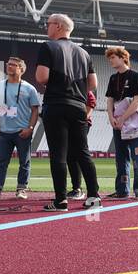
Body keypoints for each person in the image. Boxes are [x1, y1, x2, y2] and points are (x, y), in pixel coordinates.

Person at [34, 14, 99, 211]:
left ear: (59, 26)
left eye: (49, 24)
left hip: (56, 103)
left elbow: (41, 77)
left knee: (58, 154)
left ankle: (61, 200)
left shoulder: (48, 46)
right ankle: (94, 196)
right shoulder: (83, 53)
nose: (47, 27)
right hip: (78, 106)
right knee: (82, 152)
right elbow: (93, 84)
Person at [0, 56, 40, 200]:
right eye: (8, 64)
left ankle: (21, 189)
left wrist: (30, 128)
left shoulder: (29, 88)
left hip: (22, 132)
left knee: (25, 162)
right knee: (1, 162)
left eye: (13, 65)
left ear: (21, 69)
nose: (9, 67)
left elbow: (35, 110)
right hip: (4, 132)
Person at [104, 46, 138, 199]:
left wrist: (123, 118)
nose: (110, 60)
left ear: (123, 57)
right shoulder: (112, 78)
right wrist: (111, 118)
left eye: (113, 57)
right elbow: (110, 99)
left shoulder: (135, 76)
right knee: (121, 157)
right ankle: (122, 190)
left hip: (135, 123)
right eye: (109, 58)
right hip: (118, 123)